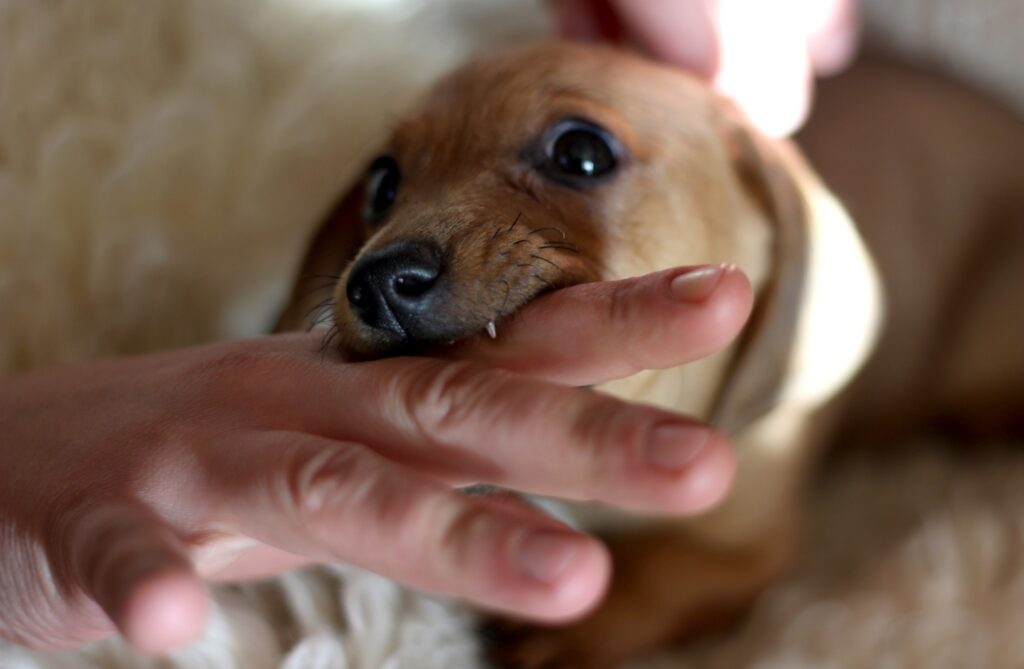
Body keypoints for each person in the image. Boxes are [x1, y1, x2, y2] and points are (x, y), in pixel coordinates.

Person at [0, 0, 857, 656]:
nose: (394, 255)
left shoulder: (768, 376)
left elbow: (737, 552)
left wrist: (610, 619)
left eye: (579, 157)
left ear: (769, 217)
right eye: (387, 194)